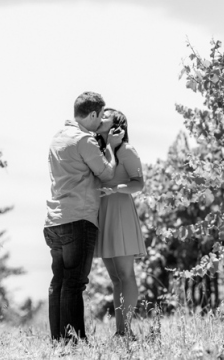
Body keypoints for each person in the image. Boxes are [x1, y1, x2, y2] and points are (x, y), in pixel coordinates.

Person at [43, 92, 124, 344]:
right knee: (75, 282)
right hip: (78, 218)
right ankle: (74, 339)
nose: (101, 121)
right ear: (92, 114)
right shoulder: (85, 141)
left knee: (59, 281)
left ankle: (58, 339)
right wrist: (109, 145)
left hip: (54, 219)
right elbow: (106, 173)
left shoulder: (58, 137)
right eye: (99, 116)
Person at [94, 108, 147, 339]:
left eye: (105, 116)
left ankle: (125, 331)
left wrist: (116, 189)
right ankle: (122, 331)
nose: (100, 118)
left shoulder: (126, 150)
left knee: (126, 275)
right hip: (103, 212)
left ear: (117, 126)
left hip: (120, 211)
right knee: (115, 278)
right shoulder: (98, 150)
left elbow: (139, 184)